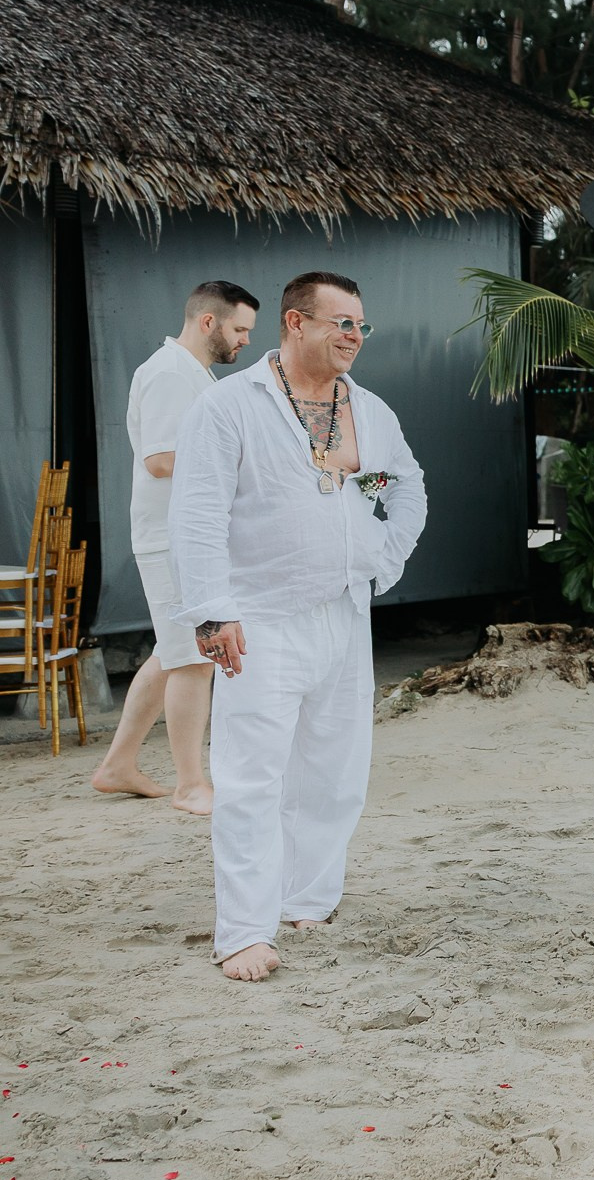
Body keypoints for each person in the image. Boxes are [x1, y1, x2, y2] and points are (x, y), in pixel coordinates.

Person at [169, 271, 427, 983]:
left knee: (335, 769)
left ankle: (308, 896)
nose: (355, 336)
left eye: (361, 325)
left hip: (344, 611)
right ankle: (244, 930)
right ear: (295, 322)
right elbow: (194, 515)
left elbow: (407, 484)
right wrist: (213, 610)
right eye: (342, 322)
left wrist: (384, 557)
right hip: (262, 617)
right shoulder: (230, 407)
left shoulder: (368, 410)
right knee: (251, 777)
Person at [89, 280, 259, 813]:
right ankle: (190, 784)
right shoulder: (167, 373)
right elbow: (161, 459)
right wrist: (246, 465)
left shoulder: (192, 373)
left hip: (185, 535)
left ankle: (118, 765)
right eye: (240, 329)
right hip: (170, 539)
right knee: (195, 657)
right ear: (209, 323)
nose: (246, 341)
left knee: (172, 653)